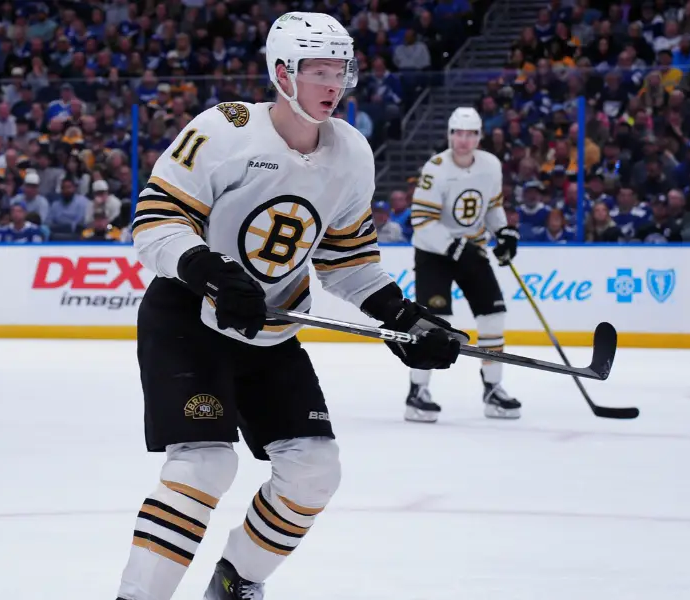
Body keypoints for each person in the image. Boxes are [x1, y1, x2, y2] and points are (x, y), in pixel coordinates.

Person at [116, 12, 465, 600]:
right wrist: (214, 272)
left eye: (341, 71)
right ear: (283, 73)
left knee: (314, 470)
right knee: (204, 465)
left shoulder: (352, 152)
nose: (333, 84)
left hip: (270, 330)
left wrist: (404, 318)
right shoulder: (222, 131)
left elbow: (347, 261)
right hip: (188, 320)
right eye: (318, 71)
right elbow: (154, 224)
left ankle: (235, 582)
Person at [405, 106, 522, 423]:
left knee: (494, 317)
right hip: (434, 254)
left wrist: (504, 232)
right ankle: (417, 393)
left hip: (471, 250)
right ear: (450, 135)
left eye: (470, 134)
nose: (463, 140)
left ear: (479, 137)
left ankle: (493, 390)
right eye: (458, 133)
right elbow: (422, 222)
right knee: (434, 324)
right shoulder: (436, 169)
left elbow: (493, 207)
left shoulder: (490, 166)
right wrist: (456, 248)